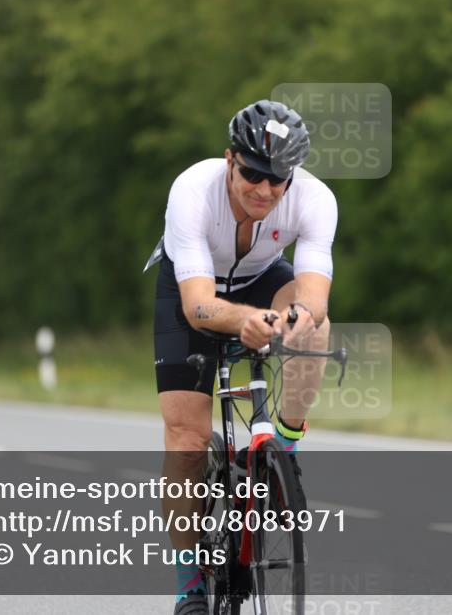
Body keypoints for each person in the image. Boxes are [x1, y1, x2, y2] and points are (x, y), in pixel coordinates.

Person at [145, 99, 337, 614]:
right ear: (230, 160)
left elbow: (314, 295)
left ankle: (286, 453)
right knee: (187, 438)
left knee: (315, 331)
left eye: (278, 181)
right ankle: (190, 583)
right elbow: (201, 305)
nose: (264, 190)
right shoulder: (192, 190)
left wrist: (294, 319)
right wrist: (244, 322)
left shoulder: (315, 199)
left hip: (261, 278)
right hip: (193, 287)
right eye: (253, 173)